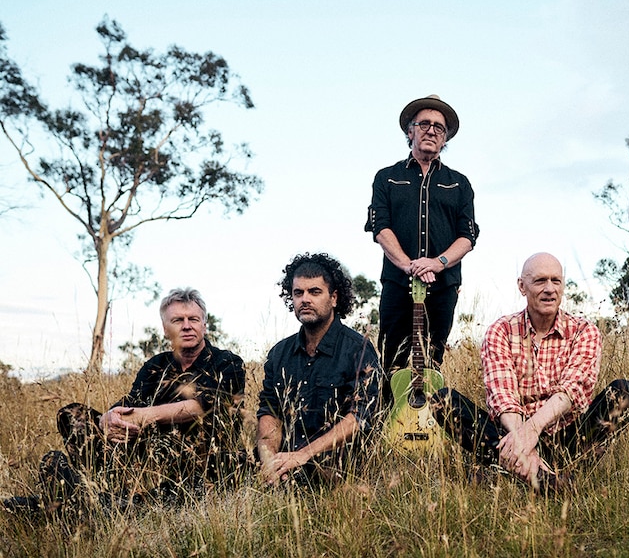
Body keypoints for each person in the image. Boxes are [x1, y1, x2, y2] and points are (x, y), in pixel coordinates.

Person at [430, 253, 629, 491]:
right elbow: (503, 397)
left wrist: (532, 431)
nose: (549, 289)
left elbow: (571, 391)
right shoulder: (501, 330)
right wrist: (523, 441)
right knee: (443, 400)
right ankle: (542, 477)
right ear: (522, 286)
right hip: (510, 431)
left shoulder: (584, 331)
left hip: (568, 438)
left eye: (556, 281)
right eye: (540, 281)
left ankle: (513, 470)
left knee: (625, 392)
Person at [31, 288, 245, 511]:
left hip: (197, 460)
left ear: (204, 325)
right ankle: (95, 491)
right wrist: (110, 418)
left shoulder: (227, 362)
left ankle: (80, 500)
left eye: (193, 319)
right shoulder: (156, 365)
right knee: (72, 414)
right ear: (165, 329)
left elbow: (203, 405)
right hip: (144, 456)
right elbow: (132, 401)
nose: (187, 325)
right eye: (177, 320)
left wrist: (145, 416)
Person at [365, 94, 479, 386]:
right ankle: (390, 428)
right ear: (410, 130)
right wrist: (409, 265)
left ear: (445, 138)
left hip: (443, 286)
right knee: (391, 362)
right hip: (397, 283)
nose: (431, 130)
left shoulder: (459, 183)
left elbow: (467, 236)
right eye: (424, 123)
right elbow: (380, 227)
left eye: (439, 127)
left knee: (432, 363)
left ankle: (429, 427)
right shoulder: (387, 178)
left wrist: (437, 263)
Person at [256, 253, 382, 486]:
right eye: (298, 293)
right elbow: (269, 411)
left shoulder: (358, 349)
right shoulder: (279, 353)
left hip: (337, 467)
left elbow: (361, 417)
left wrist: (303, 455)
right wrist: (270, 461)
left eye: (314, 292)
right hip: (286, 464)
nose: (305, 299)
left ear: (334, 298)